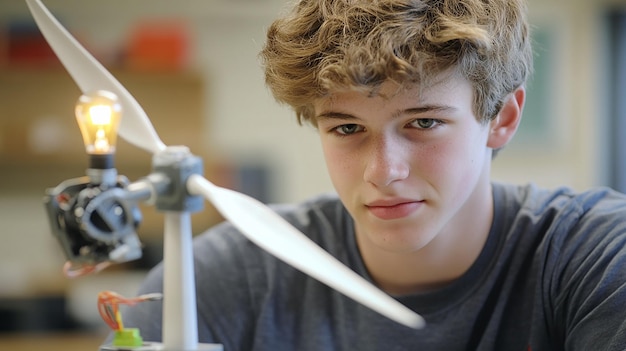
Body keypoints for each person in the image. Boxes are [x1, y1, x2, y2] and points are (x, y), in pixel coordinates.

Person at [121, 0, 626, 350]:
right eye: (346, 128)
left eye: (424, 122)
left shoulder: (593, 258)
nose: (383, 171)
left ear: (503, 118)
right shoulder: (225, 276)